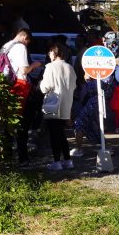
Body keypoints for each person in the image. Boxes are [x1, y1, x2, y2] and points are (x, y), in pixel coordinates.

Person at [0, 29, 40, 166]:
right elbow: (23, 70)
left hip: (7, 86)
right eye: (27, 42)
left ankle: (7, 156)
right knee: (23, 124)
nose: (27, 45)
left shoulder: (6, 46)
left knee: (8, 123)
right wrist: (34, 65)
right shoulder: (20, 47)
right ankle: (23, 158)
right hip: (20, 86)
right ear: (24, 37)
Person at [40, 41, 77, 171]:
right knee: (61, 134)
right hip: (67, 104)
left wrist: (40, 84)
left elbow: (46, 87)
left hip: (53, 104)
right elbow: (74, 86)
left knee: (54, 134)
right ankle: (67, 160)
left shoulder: (50, 67)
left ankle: (57, 162)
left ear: (55, 53)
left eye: (50, 52)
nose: (49, 54)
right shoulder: (69, 67)